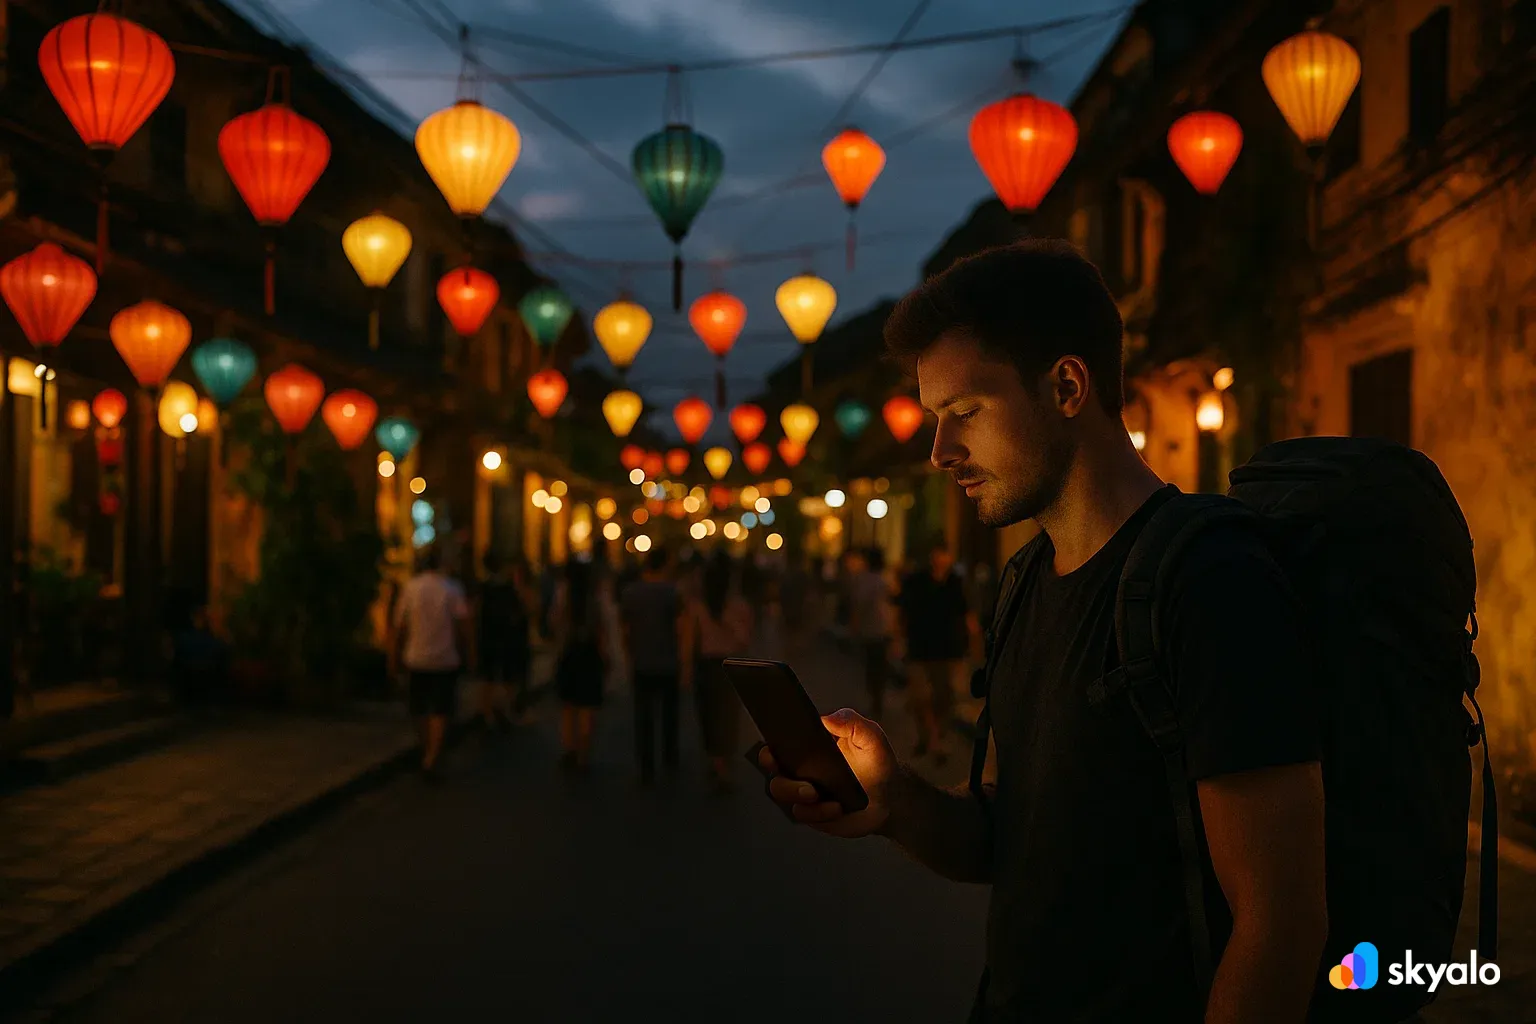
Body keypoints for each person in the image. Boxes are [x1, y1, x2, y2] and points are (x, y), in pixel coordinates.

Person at [754, 240, 1326, 1023]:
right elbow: (1005, 839)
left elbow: (1280, 922)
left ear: (1065, 386)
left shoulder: (1209, 578)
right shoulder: (1026, 582)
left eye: (963, 414)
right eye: (934, 420)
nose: (939, 452)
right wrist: (894, 798)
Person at [391, 545, 471, 782]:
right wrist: (469, 651)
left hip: (416, 657)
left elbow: (398, 626)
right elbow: (464, 623)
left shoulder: (410, 588)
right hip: (445, 658)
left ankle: (427, 750)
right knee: (440, 709)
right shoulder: (451, 588)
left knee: (419, 707)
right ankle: (431, 757)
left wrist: (393, 656)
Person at [896, 542, 976, 762]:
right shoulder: (917, 580)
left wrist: (973, 642)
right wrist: (898, 639)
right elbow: (904, 612)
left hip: (948, 649)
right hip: (920, 648)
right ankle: (933, 740)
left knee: (944, 697)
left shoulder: (955, 582)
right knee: (922, 698)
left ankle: (933, 737)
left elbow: (965, 613)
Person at [620, 546, 690, 787]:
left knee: (643, 715)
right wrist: (685, 662)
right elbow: (682, 630)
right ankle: (669, 758)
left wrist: (628, 658)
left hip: (642, 659)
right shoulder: (673, 593)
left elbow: (625, 631)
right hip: (668, 660)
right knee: (669, 714)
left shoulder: (631, 593)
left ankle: (646, 764)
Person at [686, 550, 752, 794]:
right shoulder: (739, 606)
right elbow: (744, 640)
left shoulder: (698, 606)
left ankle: (714, 760)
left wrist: (685, 669)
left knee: (708, 714)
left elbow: (690, 640)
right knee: (728, 716)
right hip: (730, 665)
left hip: (706, 665)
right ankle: (725, 765)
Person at [553, 559, 612, 778]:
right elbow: (603, 630)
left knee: (568, 706)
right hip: (590, 654)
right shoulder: (596, 598)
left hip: (569, 653)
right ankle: (583, 755)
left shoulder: (563, 596)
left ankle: (569, 748)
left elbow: (555, 623)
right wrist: (607, 656)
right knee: (588, 706)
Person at [475, 553, 534, 729]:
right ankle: (501, 712)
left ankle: (491, 714)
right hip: (506, 638)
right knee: (503, 677)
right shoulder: (505, 588)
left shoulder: (488, 587)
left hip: (494, 638)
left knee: (493, 677)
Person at [845, 547, 893, 719]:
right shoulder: (885, 579)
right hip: (883, 629)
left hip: (871, 630)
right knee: (879, 666)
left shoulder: (865, 580)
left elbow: (859, 606)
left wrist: (854, 626)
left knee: (872, 667)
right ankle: (877, 699)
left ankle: (875, 699)